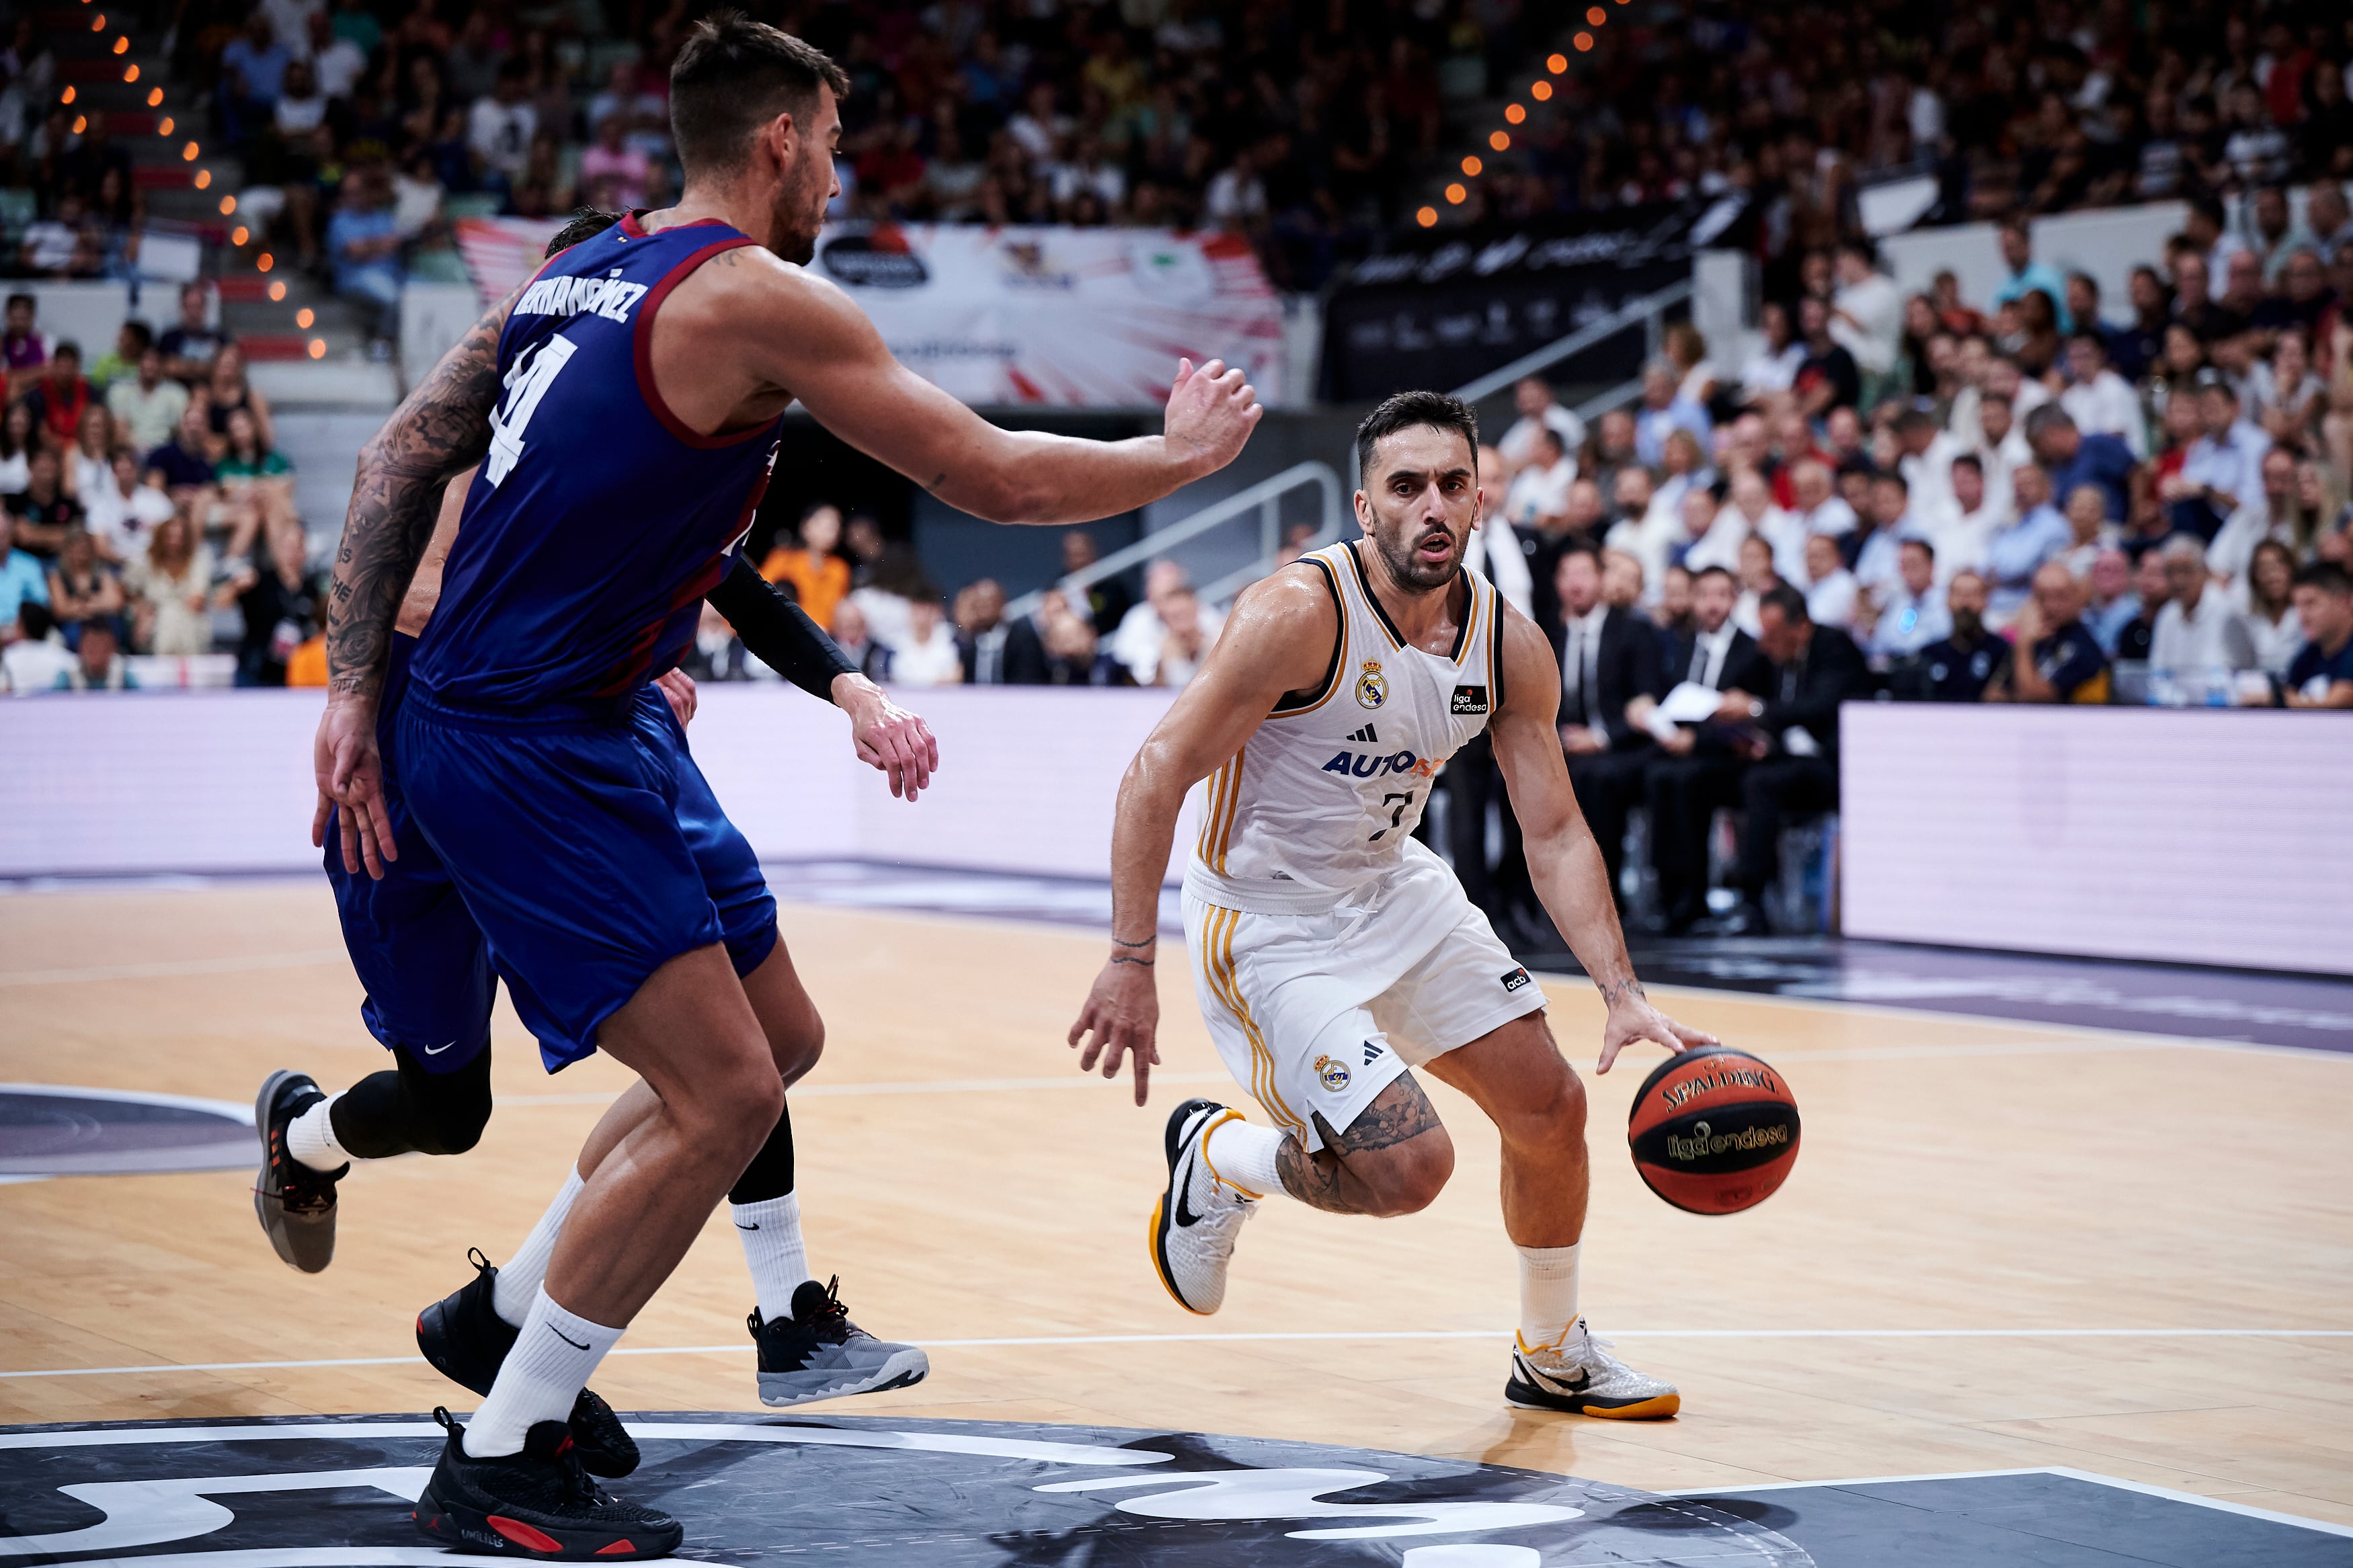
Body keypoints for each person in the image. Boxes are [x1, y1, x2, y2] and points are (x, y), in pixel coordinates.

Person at [311, 19, 1263, 1553]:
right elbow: (997, 479)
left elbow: (393, 461)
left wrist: (356, 685)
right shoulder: (757, 297)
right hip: (527, 739)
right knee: (724, 1092)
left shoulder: (577, 268)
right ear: (775, 144)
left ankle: (505, 1321)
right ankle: (503, 1449)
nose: (840, 168)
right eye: (831, 140)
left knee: (775, 1041)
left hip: (546, 721)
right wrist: (1176, 459)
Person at [1068, 391, 1709, 1424]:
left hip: (1393, 887)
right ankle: (1221, 1157)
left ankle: (1552, 1351)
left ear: (1481, 500)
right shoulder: (1297, 613)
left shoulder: (1508, 642)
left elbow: (1553, 832)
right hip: (1268, 917)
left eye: (1452, 484)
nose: (1432, 506)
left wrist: (1620, 991)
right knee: (1411, 1169)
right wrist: (1130, 960)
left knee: (1552, 1108)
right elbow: (1156, 771)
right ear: (1365, 508)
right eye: (1406, 486)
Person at [1710, 585, 1873, 934]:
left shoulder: (1834, 648)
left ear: (1801, 628)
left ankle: (1753, 899)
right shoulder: (1774, 654)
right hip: (1787, 759)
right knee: (1707, 775)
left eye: (1773, 635)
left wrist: (1754, 709)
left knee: (1762, 783)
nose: (1765, 645)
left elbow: (1820, 709)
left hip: (1834, 766)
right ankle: (1691, 898)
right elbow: (1742, 691)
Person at [1550, 542, 1663, 913]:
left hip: (1624, 749)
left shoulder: (1633, 631)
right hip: (1568, 748)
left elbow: (1649, 701)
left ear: (1601, 578)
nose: (1575, 584)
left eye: (1583, 573)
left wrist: (1601, 738)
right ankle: (1542, 898)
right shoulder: (1552, 634)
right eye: (1567, 575)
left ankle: (1605, 896)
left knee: (1598, 780)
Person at [1995, 561, 2111, 704]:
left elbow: (2031, 698)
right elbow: (1996, 693)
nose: (2050, 605)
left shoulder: (2083, 648)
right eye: (2042, 596)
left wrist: (2023, 645)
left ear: (2078, 597)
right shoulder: (2039, 638)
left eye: (2060, 596)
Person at [2149, 534, 2256, 679]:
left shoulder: (2228, 612)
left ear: (2204, 572)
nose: (2178, 580)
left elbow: (2243, 671)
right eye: (2171, 572)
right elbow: (2157, 672)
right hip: (2173, 701)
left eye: (2185, 571)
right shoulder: (2166, 615)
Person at [124, 509, 216, 655]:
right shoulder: (145, 562)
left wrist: (170, 608)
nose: (175, 542)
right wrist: (141, 609)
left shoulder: (198, 561)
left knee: (174, 616)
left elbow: (196, 600)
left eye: (180, 537)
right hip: (153, 622)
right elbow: (127, 589)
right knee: (166, 617)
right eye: (170, 537)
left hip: (189, 620)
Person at [1909, 572, 2008, 700]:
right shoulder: (1929, 655)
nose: (1965, 603)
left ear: (1986, 601)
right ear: (1948, 601)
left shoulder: (2003, 653)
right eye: (1959, 594)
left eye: (1973, 594)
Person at [758, 502, 849, 628]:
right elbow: (760, 594)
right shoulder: (783, 559)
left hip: (825, 637)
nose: (832, 530)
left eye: (836, 525)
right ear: (805, 527)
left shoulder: (840, 569)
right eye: (825, 525)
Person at [1865, 538, 1950, 661]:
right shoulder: (1900, 602)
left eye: (1913, 564)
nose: (1908, 572)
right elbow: (1881, 642)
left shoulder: (1945, 601)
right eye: (1903, 566)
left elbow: (1940, 637)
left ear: (1931, 565)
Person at [2280, 563, 2353, 707]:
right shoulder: (2310, 653)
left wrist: (2279, 699)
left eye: (2311, 604)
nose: (2303, 617)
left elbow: (2339, 701)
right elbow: (2287, 690)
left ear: (2344, 602)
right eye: (2297, 606)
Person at [953, 577, 1047, 684]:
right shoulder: (971, 644)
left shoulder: (1023, 640)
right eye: (977, 606)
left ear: (1002, 606)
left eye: (986, 605)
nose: (981, 611)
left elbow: (1028, 679)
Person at [108, 344, 192, 455]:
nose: (150, 365)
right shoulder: (120, 391)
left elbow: (183, 429)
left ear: (162, 365)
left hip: (165, 455)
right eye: (146, 359)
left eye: (155, 361)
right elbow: (120, 432)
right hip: (130, 453)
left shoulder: (177, 394)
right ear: (138, 363)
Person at [1496, 374, 1585, 477]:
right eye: (1522, 395)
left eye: (1531, 393)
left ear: (1545, 393)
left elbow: (1568, 454)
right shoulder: (1524, 425)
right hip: (1532, 483)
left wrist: (1525, 463)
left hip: (1564, 478)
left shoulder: (1565, 420)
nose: (1527, 398)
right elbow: (1502, 455)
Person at [158, 282, 229, 383]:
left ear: (205, 307)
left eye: (198, 306)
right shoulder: (169, 338)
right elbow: (166, 368)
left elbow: (225, 370)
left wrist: (182, 366)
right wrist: (205, 367)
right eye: (190, 307)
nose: (194, 313)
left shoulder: (219, 338)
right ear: (182, 307)